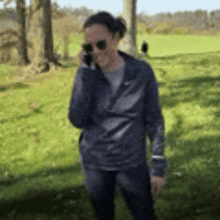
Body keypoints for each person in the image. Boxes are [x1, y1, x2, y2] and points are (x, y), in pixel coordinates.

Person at [68, 11, 167, 220]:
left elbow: (154, 119)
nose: (95, 51)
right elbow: (77, 119)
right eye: (88, 46)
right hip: (95, 164)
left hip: (131, 162)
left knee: (145, 215)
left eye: (101, 44)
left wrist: (157, 165)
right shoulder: (87, 73)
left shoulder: (141, 72)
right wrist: (86, 73)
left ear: (115, 38)